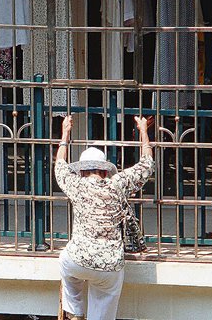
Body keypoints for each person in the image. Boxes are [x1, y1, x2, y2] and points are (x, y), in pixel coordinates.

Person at [54, 115, 155, 320]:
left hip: (78, 259)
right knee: (104, 302)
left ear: (82, 170)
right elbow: (147, 164)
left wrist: (65, 133)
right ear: (103, 170)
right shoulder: (117, 184)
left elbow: (59, 166)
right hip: (110, 265)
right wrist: (143, 131)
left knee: (65, 263)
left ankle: (75, 312)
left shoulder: (77, 185)